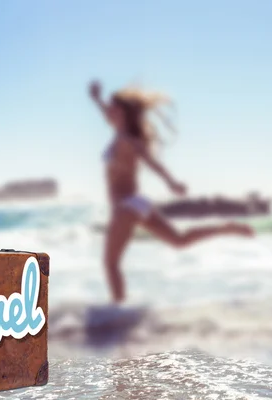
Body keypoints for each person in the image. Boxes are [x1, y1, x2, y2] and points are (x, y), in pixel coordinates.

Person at [89, 80, 254, 303]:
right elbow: (106, 114)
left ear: (125, 113)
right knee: (179, 240)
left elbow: (151, 161)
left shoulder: (128, 140)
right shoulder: (119, 132)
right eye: (110, 108)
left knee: (110, 264)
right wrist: (97, 98)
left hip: (125, 205)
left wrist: (171, 182)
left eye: (114, 107)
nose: (109, 110)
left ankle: (116, 314)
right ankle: (227, 228)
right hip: (138, 203)